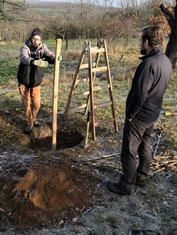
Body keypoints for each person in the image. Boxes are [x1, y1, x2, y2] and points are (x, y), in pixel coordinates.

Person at [107, 25, 172, 195]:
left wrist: (130, 114)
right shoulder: (165, 60)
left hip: (140, 115)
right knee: (145, 144)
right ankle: (142, 177)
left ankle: (126, 184)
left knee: (129, 149)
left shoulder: (148, 64)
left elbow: (140, 94)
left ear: (146, 41)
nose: (140, 45)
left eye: (141, 41)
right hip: (153, 112)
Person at [17, 28, 55, 134]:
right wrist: (33, 61)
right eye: (34, 38)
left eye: (38, 39)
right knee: (27, 104)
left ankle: (33, 119)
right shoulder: (25, 47)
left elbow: (49, 54)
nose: (35, 41)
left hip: (35, 81)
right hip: (24, 80)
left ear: (40, 39)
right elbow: (23, 57)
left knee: (37, 104)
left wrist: (56, 58)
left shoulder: (43, 47)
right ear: (31, 38)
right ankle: (29, 123)